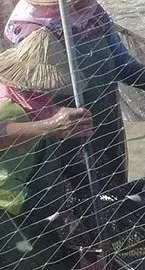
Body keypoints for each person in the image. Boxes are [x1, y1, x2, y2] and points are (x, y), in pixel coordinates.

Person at [4, 0, 145, 191]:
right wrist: (54, 119)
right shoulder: (32, 30)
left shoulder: (93, 14)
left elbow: (120, 60)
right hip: (62, 127)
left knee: (114, 180)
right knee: (78, 188)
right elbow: (24, 92)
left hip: (105, 111)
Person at [0, 27, 97, 269]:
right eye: (41, 87)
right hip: (9, 209)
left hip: (37, 205)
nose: (49, 93)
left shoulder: (33, 104)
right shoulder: (10, 108)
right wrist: (48, 126)